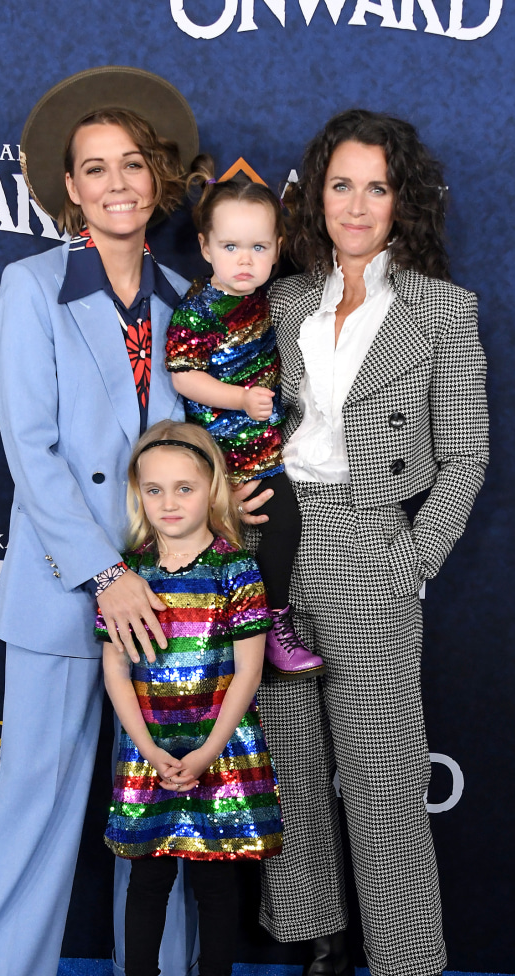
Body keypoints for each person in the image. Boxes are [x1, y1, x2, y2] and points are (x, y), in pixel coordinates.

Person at [0, 67, 204, 976]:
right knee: (34, 794)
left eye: (132, 163)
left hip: (171, 597)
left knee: (168, 787)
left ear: (158, 177)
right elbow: (32, 450)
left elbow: (204, 445)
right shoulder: (31, 286)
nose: (117, 183)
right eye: (96, 169)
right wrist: (103, 573)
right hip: (63, 587)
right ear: (70, 190)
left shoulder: (188, 296)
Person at [246, 109, 489, 976]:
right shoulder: (280, 297)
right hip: (276, 543)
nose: (355, 204)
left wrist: (412, 557)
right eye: (339, 184)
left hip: (367, 542)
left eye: (375, 186)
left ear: (403, 201)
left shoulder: (442, 308)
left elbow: (466, 454)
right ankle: (320, 956)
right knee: (290, 771)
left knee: (385, 780)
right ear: (315, 194)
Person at [91, 420, 282, 976]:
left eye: (183, 488)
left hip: (220, 757)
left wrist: (204, 753)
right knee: (145, 880)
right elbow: (116, 670)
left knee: (214, 880)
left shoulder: (236, 571)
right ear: (137, 498)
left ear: (212, 490)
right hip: (149, 754)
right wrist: (146, 747)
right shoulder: (128, 577)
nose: (168, 503)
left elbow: (250, 672)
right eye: (152, 490)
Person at [165, 162, 323, 680]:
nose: (245, 260)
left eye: (258, 248)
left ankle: (274, 623)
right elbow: (184, 376)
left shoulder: (271, 300)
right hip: (217, 452)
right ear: (206, 248)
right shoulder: (198, 308)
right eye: (231, 247)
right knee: (212, 550)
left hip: (266, 449)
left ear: (278, 248)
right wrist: (238, 398)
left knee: (284, 531)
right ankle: (214, 639)